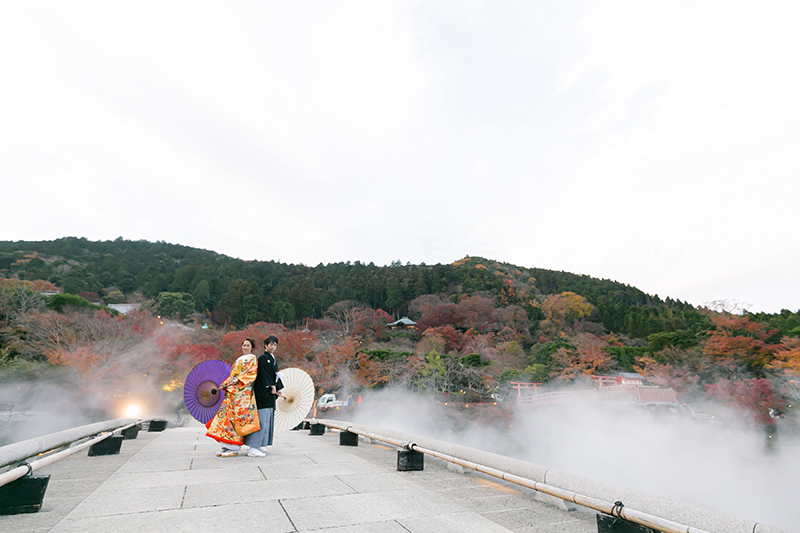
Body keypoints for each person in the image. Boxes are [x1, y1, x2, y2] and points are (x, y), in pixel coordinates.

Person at [206, 338, 260, 457]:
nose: (245, 347)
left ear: (252, 348)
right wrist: (224, 384)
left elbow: (252, 374)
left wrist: (239, 380)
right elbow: (232, 375)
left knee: (236, 418)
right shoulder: (239, 359)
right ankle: (225, 444)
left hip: (242, 393)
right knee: (225, 417)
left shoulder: (252, 359)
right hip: (232, 391)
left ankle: (234, 447)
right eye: (244, 345)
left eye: (248, 345)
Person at [244, 335, 284, 456]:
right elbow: (263, 376)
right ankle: (253, 447)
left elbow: (275, 375)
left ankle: (261, 444)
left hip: (269, 395)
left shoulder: (272, 359)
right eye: (270, 344)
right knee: (261, 421)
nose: (273, 347)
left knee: (267, 421)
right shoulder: (262, 358)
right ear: (265, 345)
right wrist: (271, 386)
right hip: (263, 394)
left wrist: (278, 388)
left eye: (275, 345)